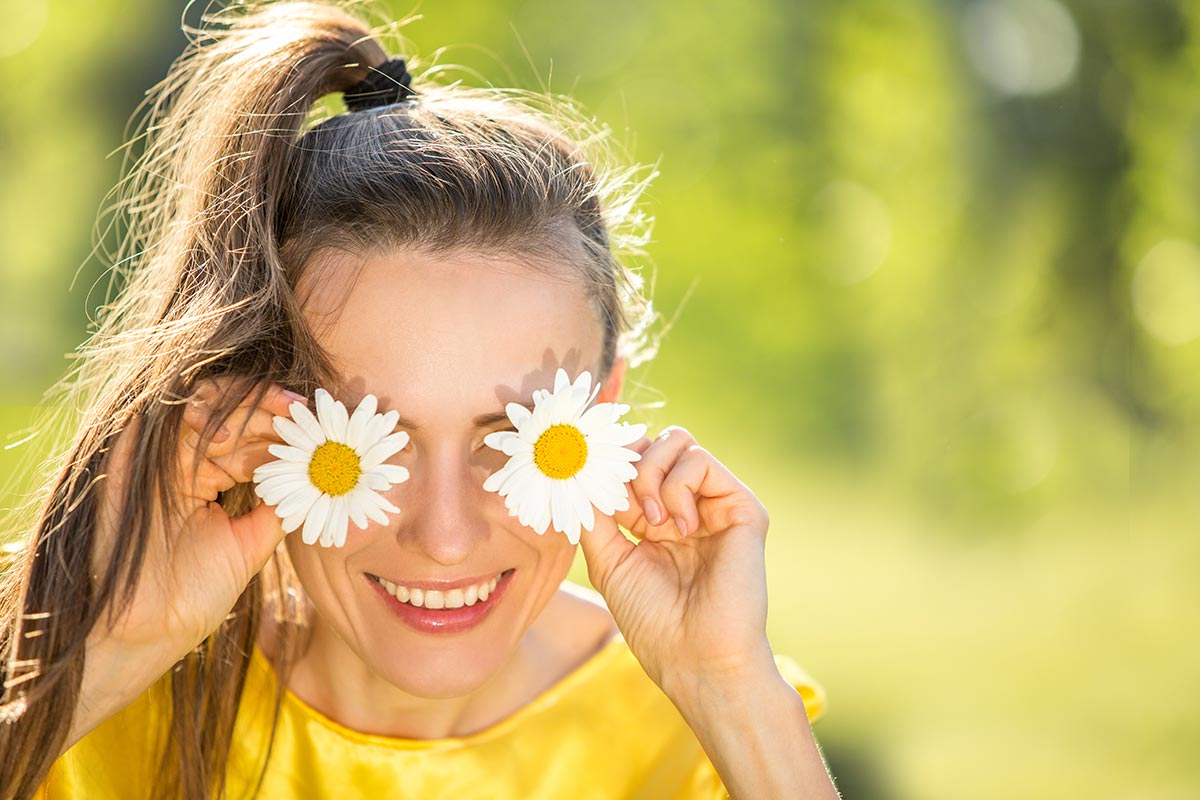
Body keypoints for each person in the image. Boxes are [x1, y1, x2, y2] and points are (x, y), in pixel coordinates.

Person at [0, 1, 839, 797]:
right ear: (255, 435)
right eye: (374, 446)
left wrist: (726, 690)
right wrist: (106, 655)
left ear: (604, 421)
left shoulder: (711, 740)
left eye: (514, 435)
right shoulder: (85, 726)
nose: (444, 538)